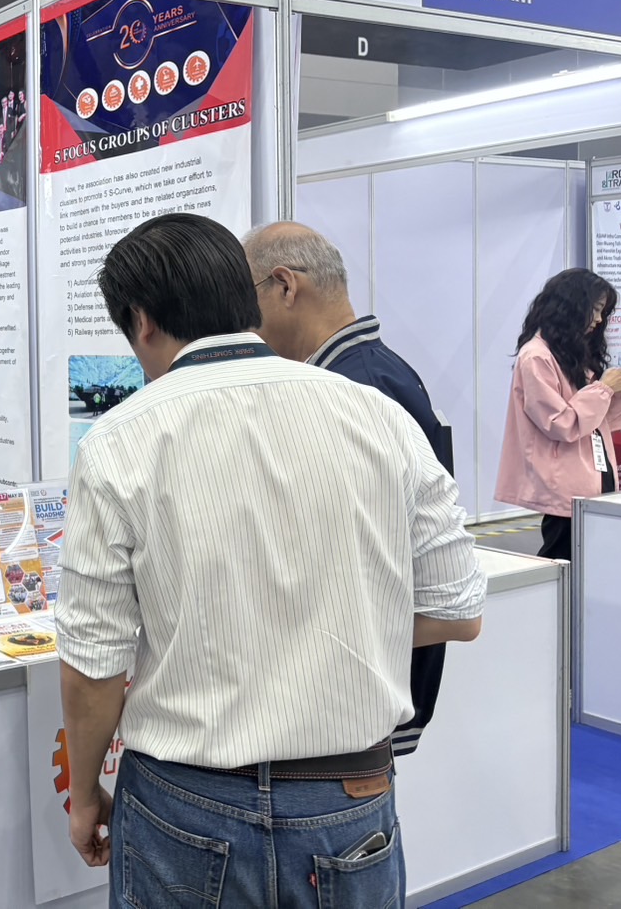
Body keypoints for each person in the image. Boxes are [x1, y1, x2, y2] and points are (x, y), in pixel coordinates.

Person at [57, 213, 485, 909]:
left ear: (141, 322)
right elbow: (458, 612)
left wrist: (83, 796)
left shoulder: (119, 439)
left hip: (184, 801)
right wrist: (325, 628)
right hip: (348, 799)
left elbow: (93, 663)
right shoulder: (379, 416)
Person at [244, 221, 453, 758]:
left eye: (245, 298)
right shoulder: (373, 371)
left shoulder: (353, 388)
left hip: (358, 690)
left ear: (285, 286)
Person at [496, 268, 621, 561]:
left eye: (603, 312)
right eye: (595, 310)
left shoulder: (571, 354)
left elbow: (598, 420)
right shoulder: (536, 357)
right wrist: (604, 389)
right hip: (566, 487)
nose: (599, 320)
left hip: (595, 477)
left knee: (594, 561)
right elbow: (561, 423)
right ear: (573, 306)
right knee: (565, 562)